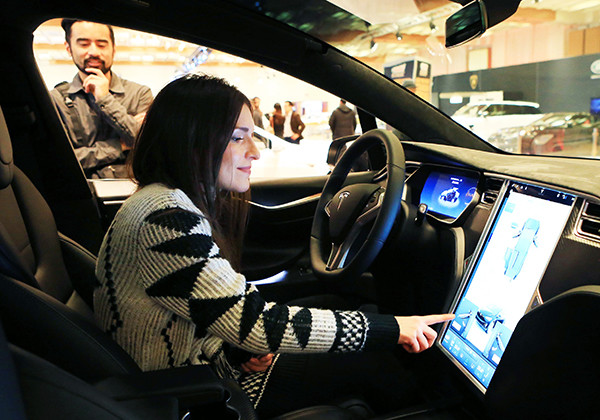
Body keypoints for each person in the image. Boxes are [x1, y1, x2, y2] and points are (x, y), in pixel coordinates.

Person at [94, 74, 453, 418]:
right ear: (192, 140)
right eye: (237, 138)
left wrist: (235, 352)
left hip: (191, 373)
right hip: (194, 394)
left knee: (336, 303)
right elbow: (259, 325)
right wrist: (394, 328)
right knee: (378, 359)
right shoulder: (165, 218)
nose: (254, 152)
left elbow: (199, 316)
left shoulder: (161, 202)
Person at [50, 19, 153, 178]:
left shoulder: (139, 93)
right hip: (82, 197)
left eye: (102, 44)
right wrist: (119, 145)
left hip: (132, 194)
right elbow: (62, 160)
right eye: (84, 44)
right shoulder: (57, 99)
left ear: (113, 49)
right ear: (69, 48)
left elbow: (147, 145)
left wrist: (105, 99)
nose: (94, 52)